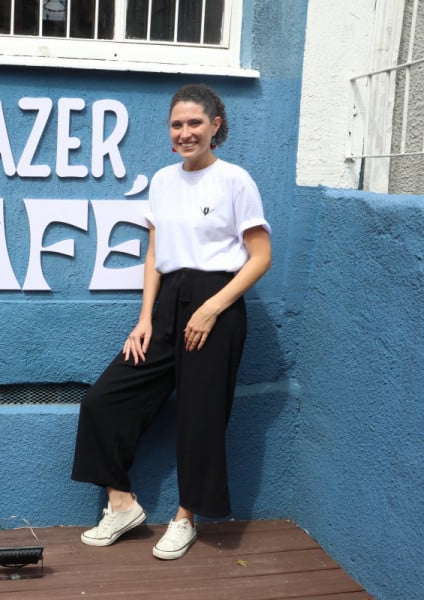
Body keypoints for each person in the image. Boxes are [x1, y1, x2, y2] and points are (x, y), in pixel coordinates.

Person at [71, 83, 272, 560]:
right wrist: (144, 320)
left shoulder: (235, 181)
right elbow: (155, 252)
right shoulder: (161, 180)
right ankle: (121, 503)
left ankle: (186, 518)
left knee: (200, 417)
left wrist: (212, 307)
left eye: (195, 124)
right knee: (103, 401)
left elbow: (261, 256)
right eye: (177, 125)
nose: (185, 133)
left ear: (215, 126)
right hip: (167, 307)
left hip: (216, 305)